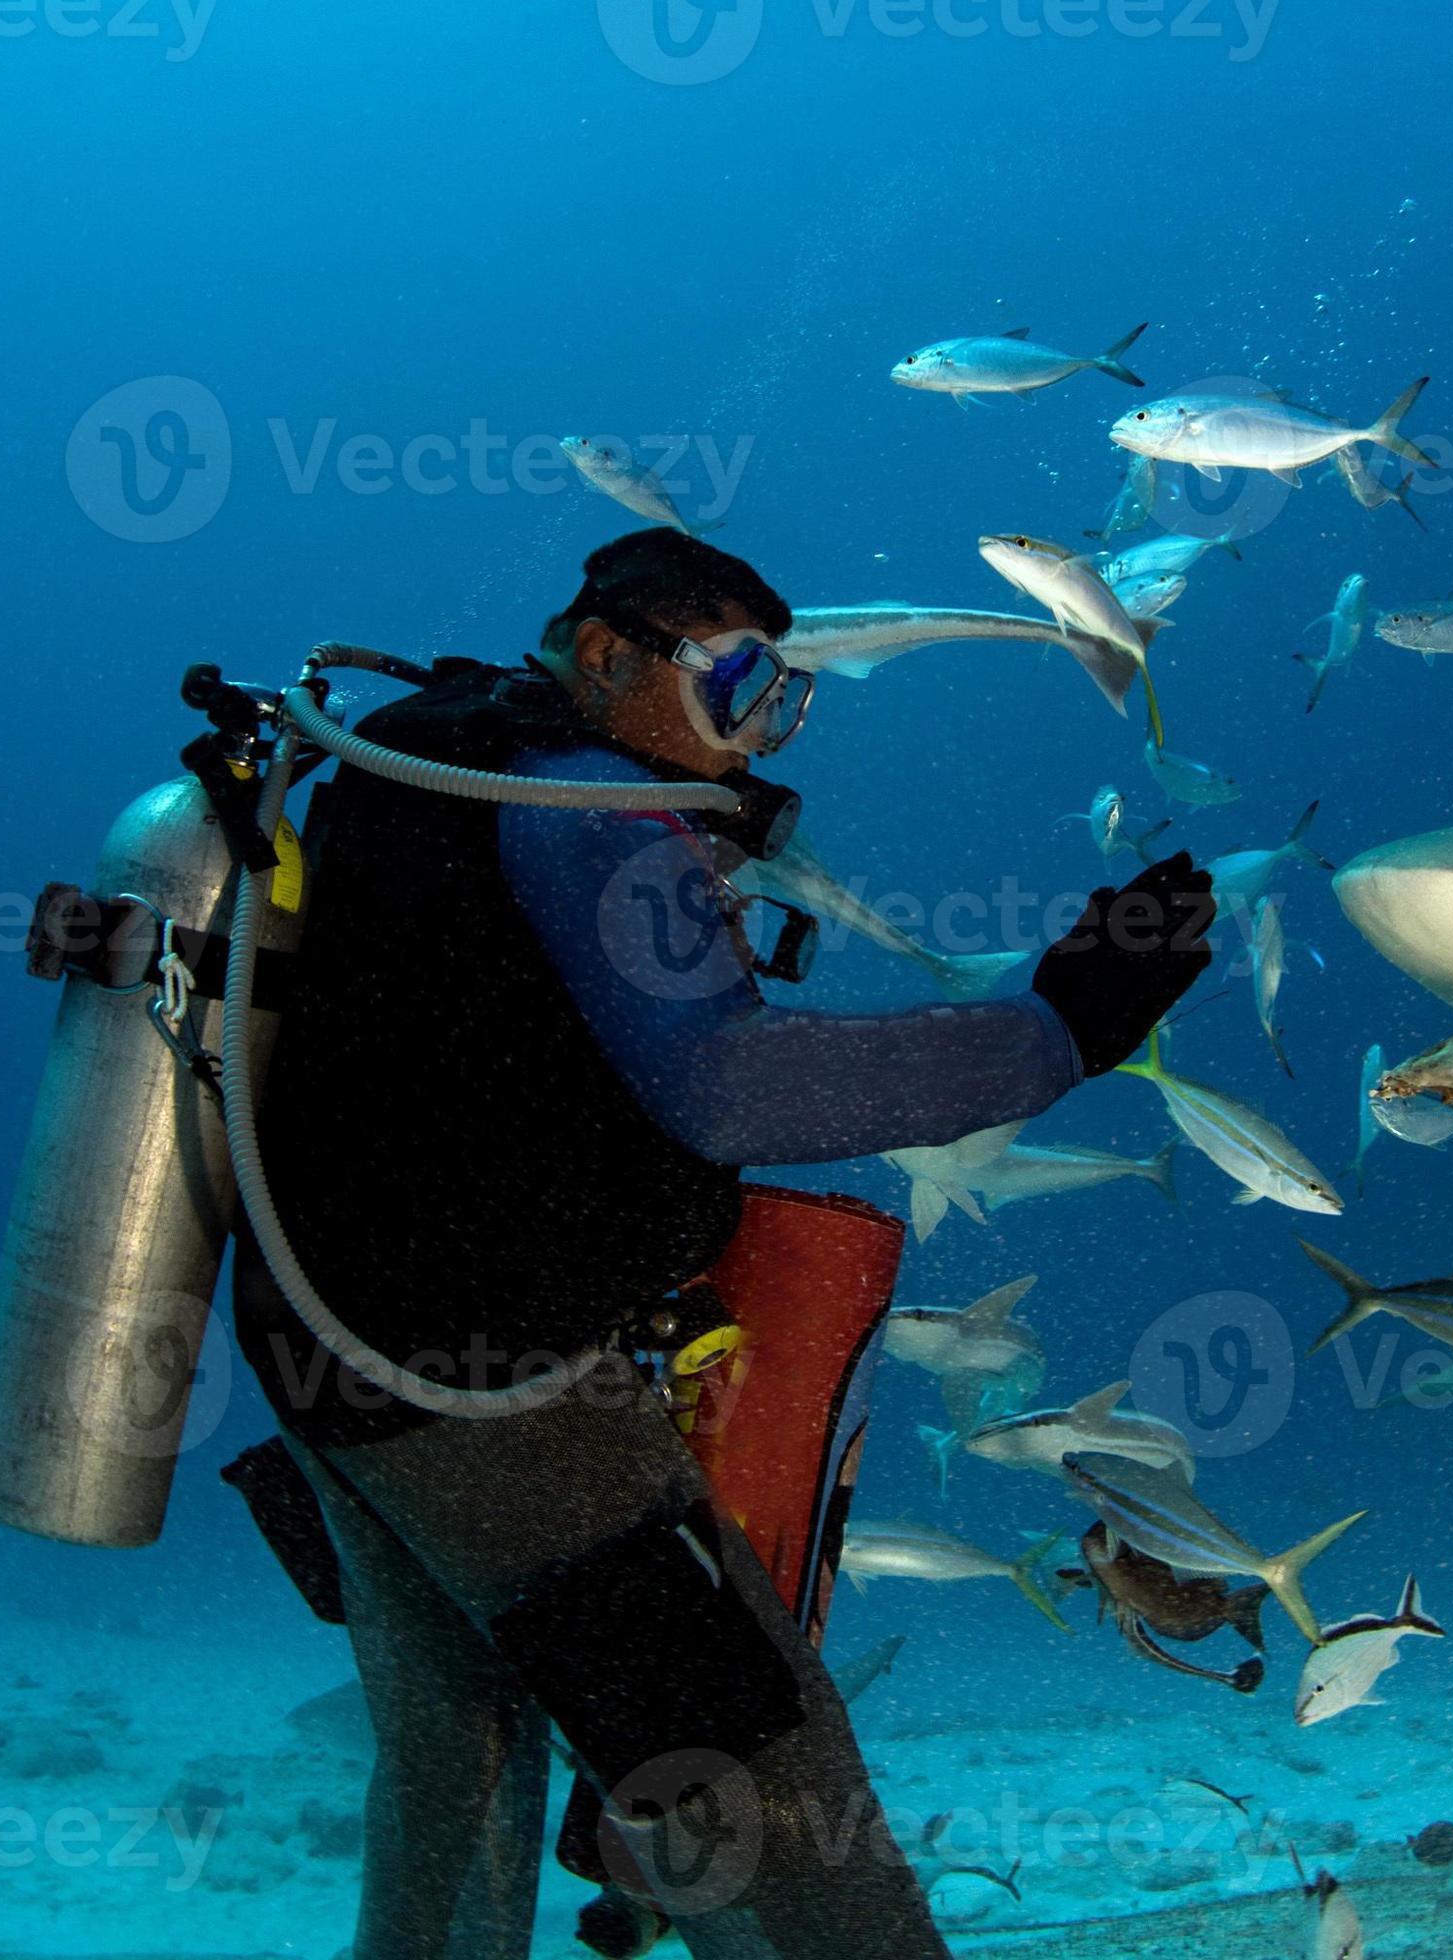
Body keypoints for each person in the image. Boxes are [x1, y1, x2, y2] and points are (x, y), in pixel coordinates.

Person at [229, 528, 1213, 1959]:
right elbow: (731, 1086)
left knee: (461, 1745)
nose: (755, 734)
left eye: (783, 697)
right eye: (737, 684)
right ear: (605, 655)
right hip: (484, 1390)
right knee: (765, 1777)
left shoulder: (418, 767)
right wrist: (1059, 1030)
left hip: (323, 1343)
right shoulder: (586, 808)